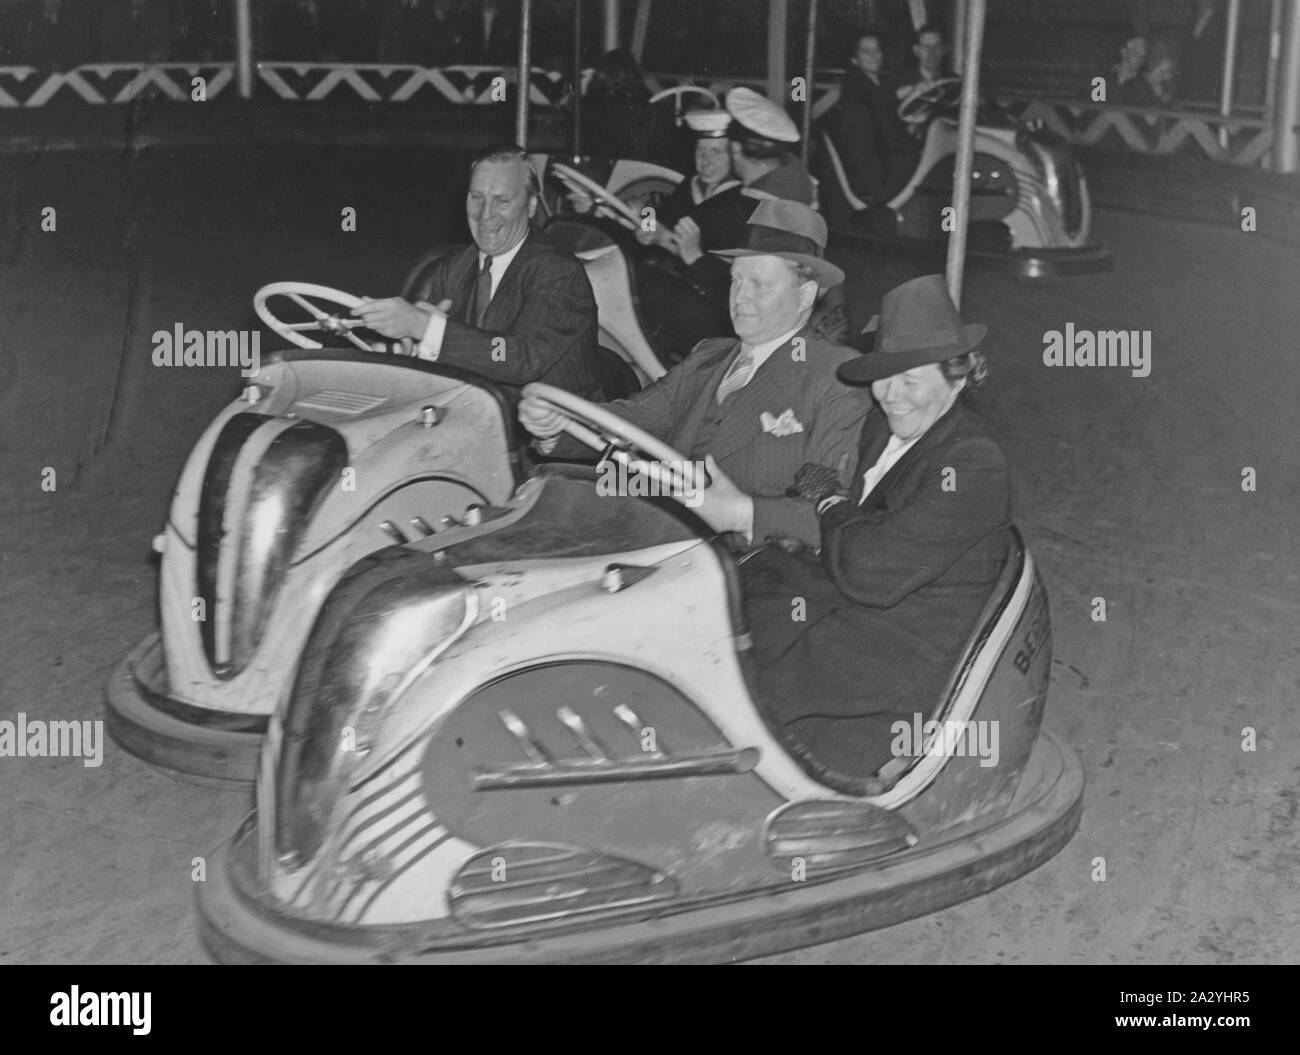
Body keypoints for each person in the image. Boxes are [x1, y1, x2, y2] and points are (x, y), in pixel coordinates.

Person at [695, 275, 1013, 777]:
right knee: (720, 602)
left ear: (958, 375)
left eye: (910, 380)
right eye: (884, 377)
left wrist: (830, 501)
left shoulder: (972, 462)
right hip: (853, 605)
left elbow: (871, 568)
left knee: (738, 682)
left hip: (902, 645)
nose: (890, 395)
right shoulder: (883, 427)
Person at [519, 199, 870, 551]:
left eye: (760, 285)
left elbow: (833, 515)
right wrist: (556, 427)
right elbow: (632, 419)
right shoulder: (707, 357)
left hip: (747, 568)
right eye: (736, 280)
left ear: (806, 294)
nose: (739, 297)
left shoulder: (835, 377)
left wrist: (741, 513)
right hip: (656, 539)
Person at [351, 143, 604, 401]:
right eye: (476, 197)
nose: (485, 214)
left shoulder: (558, 273)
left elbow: (520, 358)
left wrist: (424, 326)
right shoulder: (456, 266)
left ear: (530, 206)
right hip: (477, 416)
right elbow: (449, 354)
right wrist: (406, 348)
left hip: (554, 432)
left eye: (502, 201)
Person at [827, 30, 916, 207]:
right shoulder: (854, 84)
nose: (874, 56)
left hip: (890, 160)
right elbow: (876, 100)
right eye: (866, 52)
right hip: (875, 172)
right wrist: (903, 92)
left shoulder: (882, 83)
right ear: (854, 59)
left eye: (877, 50)